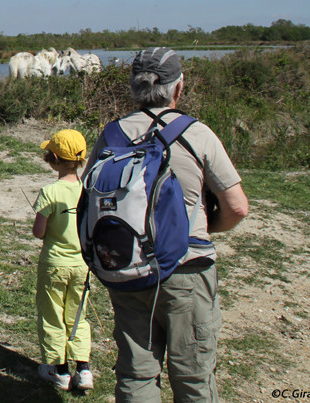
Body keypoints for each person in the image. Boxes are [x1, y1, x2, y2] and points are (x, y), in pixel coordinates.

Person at [83, 47, 249, 402]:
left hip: (128, 266)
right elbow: (237, 207)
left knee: (136, 373)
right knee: (192, 377)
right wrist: (206, 226)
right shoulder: (196, 133)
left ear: (133, 87)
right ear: (178, 87)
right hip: (187, 269)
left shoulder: (112, 134)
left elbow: (89, 196)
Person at [32, 129, 93, 392]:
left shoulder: (50, 192)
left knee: (53, 316)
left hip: (54, 264)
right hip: (82, 265)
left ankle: (60, 371)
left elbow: (39, 231)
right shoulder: (87, 191)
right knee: (78, 315)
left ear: (53, 158)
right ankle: (84, 368)